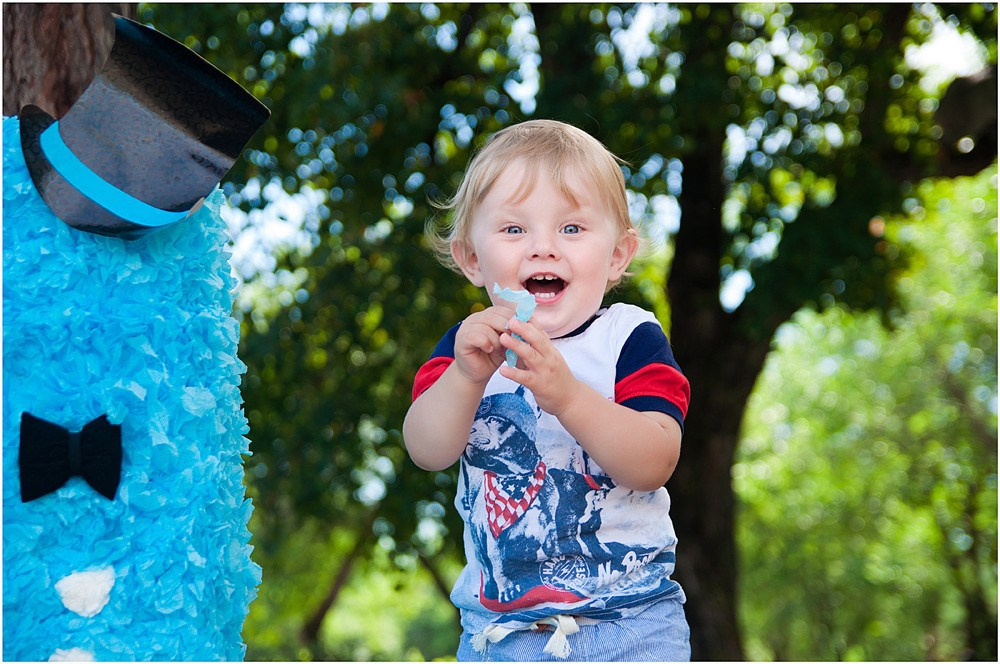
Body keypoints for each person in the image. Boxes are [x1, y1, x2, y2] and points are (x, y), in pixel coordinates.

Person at [403, 119, 691, 661]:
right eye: (514, 230)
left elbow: (654, 460)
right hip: (501, 635)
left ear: (617, 256)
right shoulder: (468, 347)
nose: (543, 249)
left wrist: (569, 397)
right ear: (470, 258)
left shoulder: (628, 339)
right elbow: (426, 450)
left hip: (628, 622)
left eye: (572, 229)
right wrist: (466, 378)